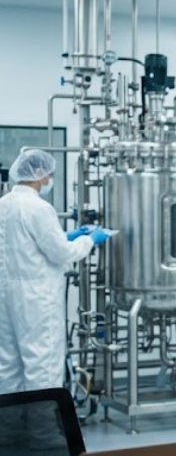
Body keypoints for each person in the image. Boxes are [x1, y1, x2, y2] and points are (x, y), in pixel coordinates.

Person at [0, 149, 111, 395]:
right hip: (36, 299)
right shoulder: (39, 208)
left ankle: (10, 428)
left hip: (6, 296)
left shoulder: (4, 204)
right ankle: (42, 432)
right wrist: (91, 240)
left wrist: (66, 235)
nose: (50, 180)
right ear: (39, 174)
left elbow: (26, 245)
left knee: (8, 365)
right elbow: (62, 253)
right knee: (43, 366)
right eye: (50, 174)